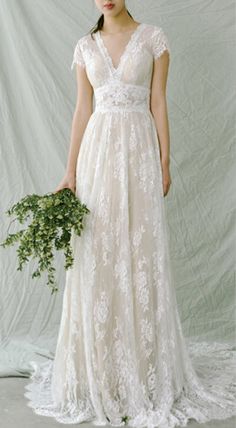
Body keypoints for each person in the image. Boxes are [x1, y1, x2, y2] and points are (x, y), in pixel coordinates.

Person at [24, 1, 236, 426]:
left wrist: (164, 161)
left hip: (138, 156)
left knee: (139, 254)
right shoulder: (85, 46)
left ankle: (142, 370)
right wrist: (69, 172)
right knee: (98, 254)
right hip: (96, 160)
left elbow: (158, 101)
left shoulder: (154, 38)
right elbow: (82, 111)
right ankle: (100, 369)